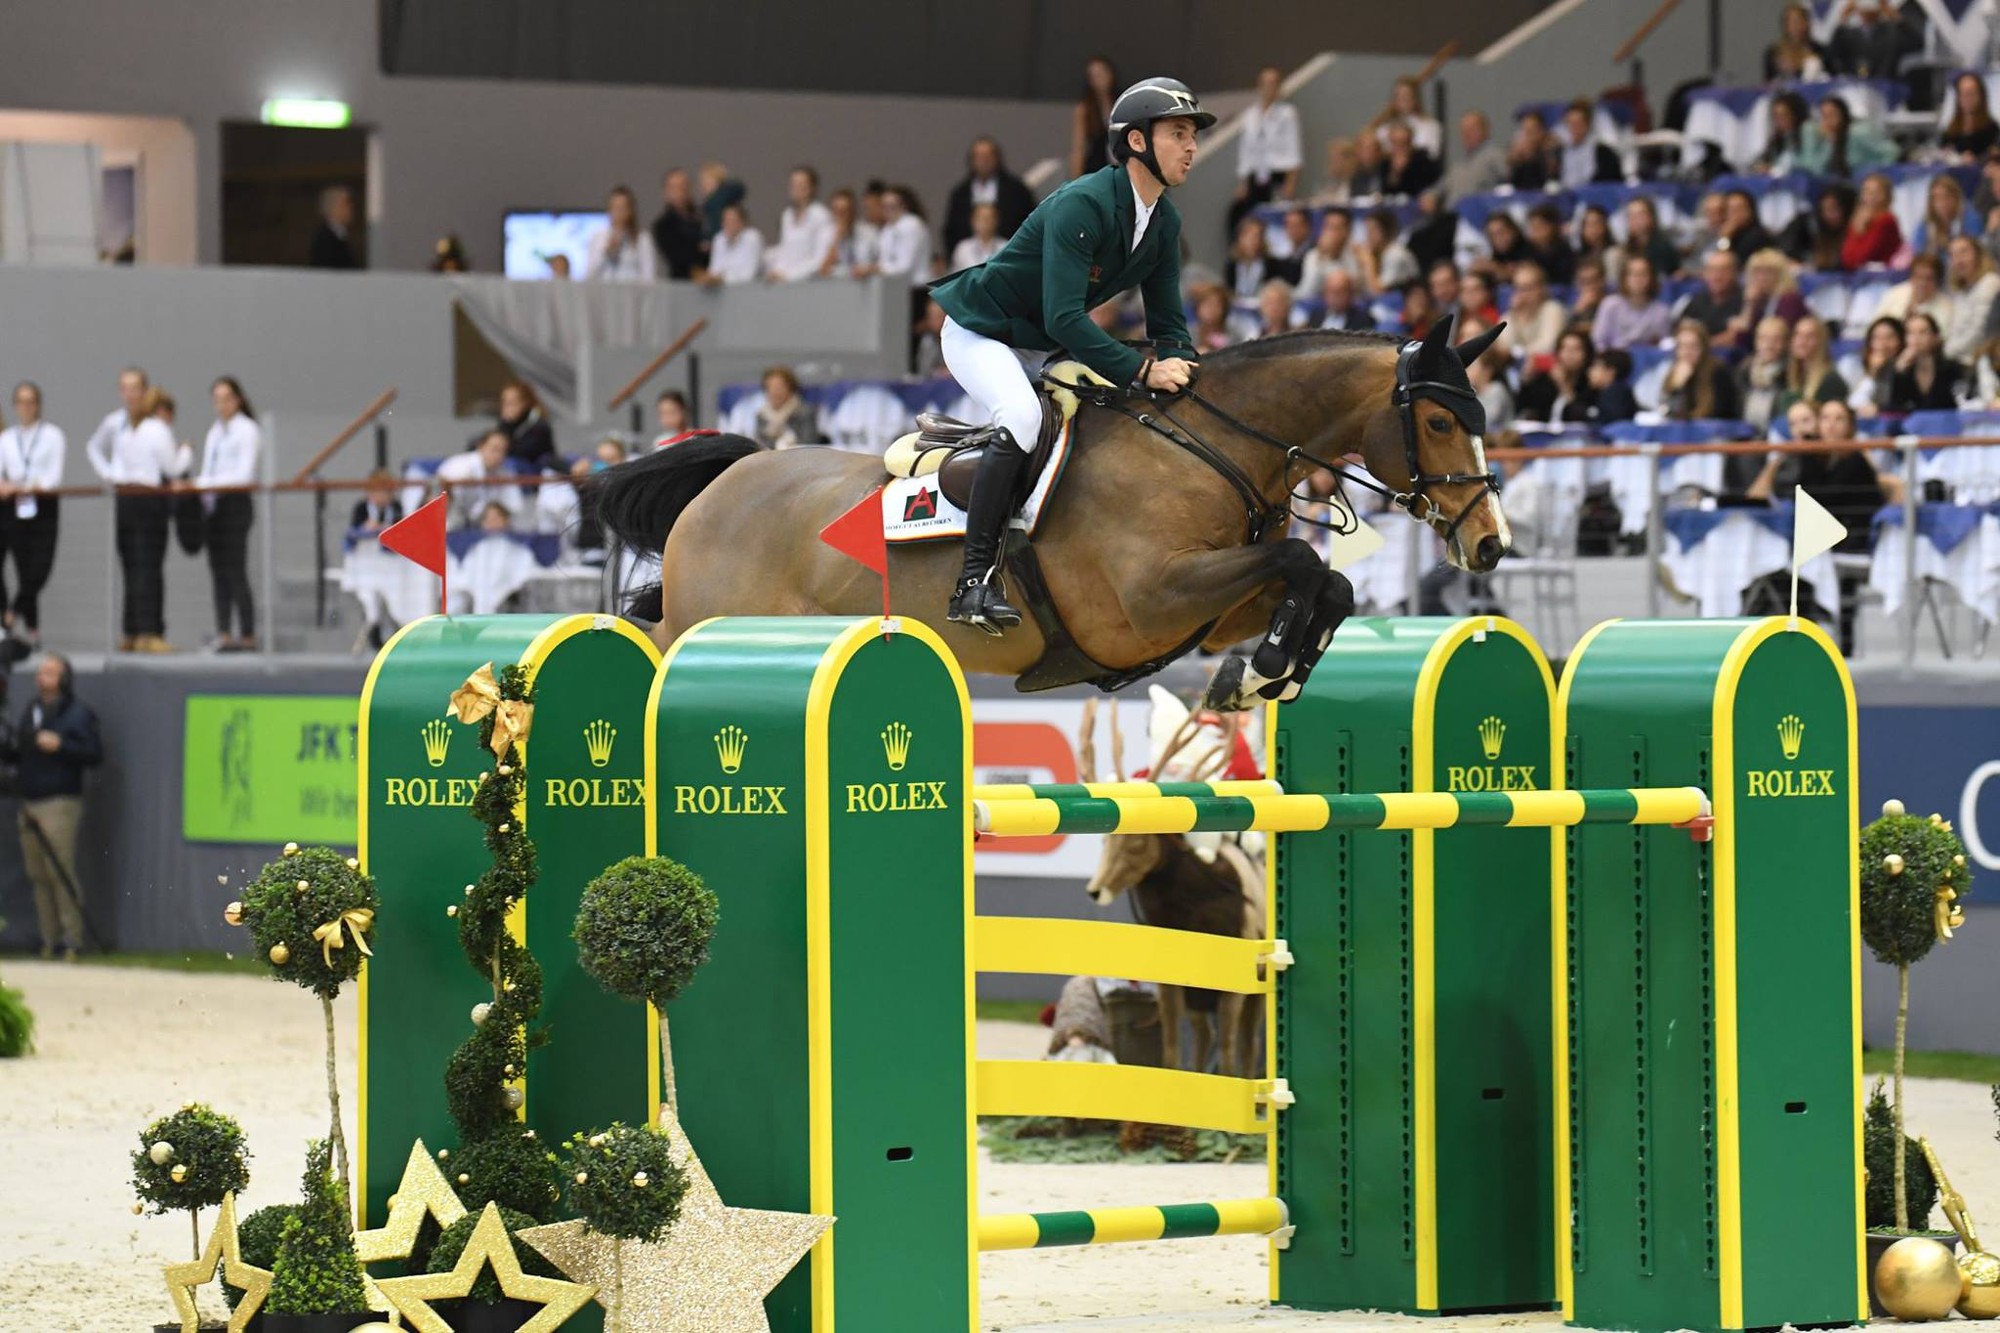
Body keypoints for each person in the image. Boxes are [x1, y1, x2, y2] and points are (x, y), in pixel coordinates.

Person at [929, 76, 1212, 633]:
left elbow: (1169, 323)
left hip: (1043, 341)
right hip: (981, 331)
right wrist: (1143, 369)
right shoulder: (1082, 204)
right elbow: (1064, 316)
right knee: (1024, 416)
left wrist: (1195, 376)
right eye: (1178, 133)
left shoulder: (1164, 221)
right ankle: (972, 583)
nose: (1191, 146)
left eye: (1192, 135)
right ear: (1137, 142)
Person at [1748, 397, 1902, 652]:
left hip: (1850, 539)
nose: (1830, 425)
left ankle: (1805, 637)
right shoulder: (1819, 460)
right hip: (1824, 536)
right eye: (1825, 419)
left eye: (1838, 419)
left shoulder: (1854, 460)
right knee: (1781, 564)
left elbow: (1818, 497)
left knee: (1792, 560)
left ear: (1849, 426)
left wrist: (1806, 451)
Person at [8, 652, 100, 960]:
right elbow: (20, 749)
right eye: (40, 672)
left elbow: (93, 753)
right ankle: (49, 939)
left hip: (59, 800)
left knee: (60, 870)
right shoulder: (32, 710)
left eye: (49, 673)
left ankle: (72, 939)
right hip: (29, 800)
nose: (41, 678)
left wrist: (61, 745)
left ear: (63, 678)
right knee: (37, 875)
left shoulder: (77, 714)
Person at [85, 371, 177, 652]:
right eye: (125, 388)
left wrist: (184, 455)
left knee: (149, 564)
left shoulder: (156, 427)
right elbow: (93, 446)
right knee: (129, 563)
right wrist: (109, 473)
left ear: (145, 391)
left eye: (135, 388)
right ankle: (131, 629)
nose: (130, 394)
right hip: (125, 497)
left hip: (150, 497)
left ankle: (151, 629)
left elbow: (170, 467)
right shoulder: (115, 422)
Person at [193, 377, 261, 652]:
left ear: (238, 399)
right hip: (214, 506)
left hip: (234, 502)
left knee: (235, 568)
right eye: (217, 399)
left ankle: (247, 631)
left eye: (226, 398)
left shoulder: (247, 430)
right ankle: (223, 629)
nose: (221, 405)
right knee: (217, 569)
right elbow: (209, 468)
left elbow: (243, 474)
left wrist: (205, 484)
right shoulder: (215, 431)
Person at [0, 382, 64, 649]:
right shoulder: (6, 439)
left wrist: (29, 485)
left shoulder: (52, 435)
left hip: (42, 506)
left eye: (31, 402)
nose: (25, 407)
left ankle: (13, 613)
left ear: (38, 404)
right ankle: (18, 625)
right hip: (13, 505)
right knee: (17, 563)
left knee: (38, 568)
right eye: (21, 402)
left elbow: (53, 477)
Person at [1230, 64, 1303, 232]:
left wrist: (1291, 182)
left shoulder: (1288, 113)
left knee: (1275, 220)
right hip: (1255, 176)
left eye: (1274, 84)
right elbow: (1245, 151)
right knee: (1242, 216)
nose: (1269, 88)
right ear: (1259, 86)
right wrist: (1243, 182)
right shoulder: (1250, 115)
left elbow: (1294, 148)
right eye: (1266, 84)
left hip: (1278, 174)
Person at [944, 137, 1035, 255]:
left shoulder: (1017, 190)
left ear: (997, 158)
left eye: (987, 157)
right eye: (979, 157)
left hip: (1010, 253)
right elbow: (952, 229)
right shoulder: (961, 193)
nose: (983, 162)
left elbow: (1029, 222)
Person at [1719, 248, 1807, 353]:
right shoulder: (1760, 301)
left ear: (1780, 275)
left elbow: (1783, 338)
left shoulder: (1790, 300)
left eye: (1768, 272)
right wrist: (1749, 305)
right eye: (1757, 272)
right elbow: (1742, 343)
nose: (1761, 278)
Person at [436, 430, 524, 528]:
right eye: (494, 449)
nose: (499, 455)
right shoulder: (459, 465)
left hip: (483, 528)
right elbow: (442, 495)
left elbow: (515, 507)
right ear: (481, 446)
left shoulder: (505, 473)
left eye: (503, 451)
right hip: (453, 523)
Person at [765, 166, 837, 283]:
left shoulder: (820, 215)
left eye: (800, 185)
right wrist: (777, 271)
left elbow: (820, 258)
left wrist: (790, 276)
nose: (795, 189)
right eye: (793, 184)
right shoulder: (787, 216)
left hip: (810, 284)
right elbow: (785, 251)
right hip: (786, 285)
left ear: (811, 188)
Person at [1660, 318, 1741, 421]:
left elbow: (1716, 414)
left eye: (1693, 346)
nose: (1687, 352)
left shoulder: (1718, 373)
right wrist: (1677, 387)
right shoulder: (1675, 373)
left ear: (1703, 348)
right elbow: (1667, 413)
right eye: (1682, 346)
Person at [1885, 312, 1966, 412]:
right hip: (1912, 426)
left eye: (1923, 332)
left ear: (1935, 337)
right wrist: (1899, 372)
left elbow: (1962, 404)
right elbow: (1893, 408)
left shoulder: (1953, 368)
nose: (1916, 338)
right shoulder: (1901, 371)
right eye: (1910, 333)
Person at [1800, 97, 1898, 179]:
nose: (1828, 120)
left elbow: (1892, 151)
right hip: (1844, 186)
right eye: (1824, 116)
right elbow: (1817, 170)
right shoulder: (1828, 138)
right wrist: (1830, 143)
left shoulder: (1858, 131)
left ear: (1843, 113)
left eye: (1832, 114)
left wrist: (1878, 173)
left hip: (1868, 181)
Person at [1593, 252, 1673, 350]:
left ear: (1652, 278)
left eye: (1643, 274)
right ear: (1624, 278)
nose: (1638, 279)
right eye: (1633, 274)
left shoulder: (1661, 312)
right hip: (1615, 359)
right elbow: (1599, 342)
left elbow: (1664, 347)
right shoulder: (1610, 305)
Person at [1517, 327, 1597, 424]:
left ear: (1587, 354)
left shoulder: (1591, 382)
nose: (1570, 354)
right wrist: (1527, 380)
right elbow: (1523, 407)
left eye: (1576, 349)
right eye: (1565, 348)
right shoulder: (1546, 379)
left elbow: (1582, 415)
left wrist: (1563, 385)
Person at [1943, 234, 2000, 361]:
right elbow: (1954, 329)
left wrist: (1947, 351)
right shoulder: (1960, 292)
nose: (1959, 260)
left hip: (1980, 358)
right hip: (1958, 356)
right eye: (1953, 255)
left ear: (1978, 255)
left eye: (1964, 252)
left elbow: (1979, 331)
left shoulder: (1990, 283)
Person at [587, 185, 660, 282]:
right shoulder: (598, 238)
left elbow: (649, 275)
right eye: (615, 207)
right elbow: (590, 274)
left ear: (630, 211)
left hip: (633, 293)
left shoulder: (642, 238)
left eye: (622, 208)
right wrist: (606, 254)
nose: (618, 212)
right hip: (605, 293)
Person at [1498, 263, 1568, 361]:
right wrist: (1513, 315)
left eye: (1527, 288)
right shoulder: (1510, 315)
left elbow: (1548, 345)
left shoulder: (1552, 310)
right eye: (1518, 288)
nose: (1522, 294)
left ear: (1541, 289)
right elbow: (1503, 347)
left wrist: (1519, 352)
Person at [1781, 182, 1856, 271]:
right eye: (1824, 209)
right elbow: (1785, 251)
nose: (1829, 215)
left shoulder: (1855, 230)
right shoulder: (1806, 223)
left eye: (1834, 209)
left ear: (1847, 210)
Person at [1738, 316, 1793, 434]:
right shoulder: (1744, 371)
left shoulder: (1792, 373)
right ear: (1756, 342)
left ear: (1786, 343)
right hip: (1743, 437)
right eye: (1764, 339)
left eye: (1776, 339)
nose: (1769, 345)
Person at [1784, 314, 1851, 409]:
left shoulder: (1831, 381)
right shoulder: (1793, 376)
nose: (1802, 341)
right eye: (1798, 334)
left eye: (1810, 336)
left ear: (1821, 342)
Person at [1070, 56, 1120, 180]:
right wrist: (1075, 179)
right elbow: (1079, 147)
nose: (1099, 79)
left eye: (1102, 73)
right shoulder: (1085, 108)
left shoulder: (1122, 103)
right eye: (1094, 76)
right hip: (1097, 167)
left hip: (1121, 165)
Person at [1366, 76, 1443, 158]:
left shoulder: (1430, 126)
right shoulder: (1384, 127)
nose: (1402, 100)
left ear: (1415, 98)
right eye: (1398, 96)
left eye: (1406, 95)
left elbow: (1431, 154)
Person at [1441, 111, 1507, 205]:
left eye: (1471, 129)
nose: (1466, 134)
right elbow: (1442, 186)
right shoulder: (1459, 164)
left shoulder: (1495, 155)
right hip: (1452, 213)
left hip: (1480, 212)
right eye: (1463, 130)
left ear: (1486, 130)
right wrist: (1432, 195)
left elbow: (1508, 181)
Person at [650, 168, 706, 279]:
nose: (680, 191)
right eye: (674, 188)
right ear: (666, 192)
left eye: (683, 186)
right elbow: (678, 257)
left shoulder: (704, 218)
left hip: (714, 286)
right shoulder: (662, 226)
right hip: (682, 286)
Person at [1677, 249, 1745, 339]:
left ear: (1736, 273)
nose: (1716, 276)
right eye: (1711, 270)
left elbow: (1735, 339)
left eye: (1723, 270)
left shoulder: (1746, 302)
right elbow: (1681, 333)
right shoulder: (1696, 301)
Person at [1876, 253, 1953, 329]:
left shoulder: (1946, 309)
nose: (1923, 283)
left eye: (1929, 278)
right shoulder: (1894, 293)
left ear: (1937, 281)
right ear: (1911, 278)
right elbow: (1876, 324)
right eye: (1919, 277)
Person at [753, 366, 822, 449]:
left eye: (779, 387)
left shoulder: (805, 412)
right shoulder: (762, 415)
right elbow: (759, 444)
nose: (774, 391)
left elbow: (809, 443)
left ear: (790, 388)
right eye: (770, 387)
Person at [496, 380, 557, 473]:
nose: (506, 407)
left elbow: (523, 451)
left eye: (511, 403)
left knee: (508, 463)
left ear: (524, 403)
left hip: (536, 472)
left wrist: (496, 447)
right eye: (504, 402)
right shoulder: (506, 424)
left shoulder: (539, 426)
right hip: (518, 470)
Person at [1851, 314, 1907, 415]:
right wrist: (1872, 372)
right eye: (1877, 338)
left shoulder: (1907, 370)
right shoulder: (1855, 366)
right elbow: (1854, 404)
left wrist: (1880, 409)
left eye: (1890, 337)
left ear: (1901, 341)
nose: (1883, 344)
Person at [1296, 208, 1360, 295]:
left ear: (1348, 231)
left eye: (1337, 228)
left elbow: (1356, 290)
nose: (1332, 233)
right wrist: (1321, 258)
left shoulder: (1357, 254)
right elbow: (1306, 293)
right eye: (1328, 227)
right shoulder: (1313, 256)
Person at [1558, 101, 1622, 188]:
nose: (1574, 128)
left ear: (1587, 125)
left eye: (1578, 124)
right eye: (1570, 123)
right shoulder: (1562, 152)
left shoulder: (1602, 152)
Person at [697, 202, 764, 285]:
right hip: (722, 293)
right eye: (725, 220)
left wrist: (720, 278)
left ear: (743, 222)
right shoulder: (719, 239)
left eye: (732, 220)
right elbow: (714, 270)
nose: (728, 224)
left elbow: (748, 275)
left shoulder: (752, 238)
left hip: (750, 292)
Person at [820, 187, 880, 278]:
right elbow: (822, 271)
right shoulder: (826, 235)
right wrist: (836, 240)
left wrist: (869, 269)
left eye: (844, 211)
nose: (840, 217)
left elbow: (882, 264)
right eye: (836, 212)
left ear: (853, 211)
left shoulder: (869, 232)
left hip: (866, 285)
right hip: (840, 287)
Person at [1913, 174, 1976, 258]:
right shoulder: (1925, 223)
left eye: (1947, 197)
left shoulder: (1970, 219)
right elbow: (1918, 254)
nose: (1942, 203)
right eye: (1936, 198)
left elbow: (1975, 253)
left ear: (1956, 198)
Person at [1358, 207, 1419, 295]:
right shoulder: (1377, 253)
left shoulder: (1396, 255)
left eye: (1373, 230)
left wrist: (1368, 262)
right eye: (1367, 230)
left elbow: (1377, 292)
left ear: (1386, 230)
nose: (1368, 235)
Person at [1941, 72, 2000, 161]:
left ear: (1981, 96)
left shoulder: (1992, 130)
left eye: (1971, 93)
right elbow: (1941, 152)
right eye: (1963, 93)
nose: (1967, 98)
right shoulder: (1951, 130)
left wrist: (1977, 159)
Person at [1622, 196, 1683, 281]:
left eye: (1641, 214)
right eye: (1631, 215)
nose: (1636, 220)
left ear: (1652, 217)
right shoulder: (1623, 249)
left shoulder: (1664, 247)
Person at [1765, 3, 1829, 80]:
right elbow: (1767, 83)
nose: (1796, 27)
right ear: (1785, 25)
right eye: (1792, 22)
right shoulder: (1774, 53)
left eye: (1799, 21)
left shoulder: (1819, 50)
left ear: (1807, 23)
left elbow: (1832, 78)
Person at [1755, 91, 1812, 175]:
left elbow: (1808, 166)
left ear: (1795, 115)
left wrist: (1773, 170)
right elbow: (1765, 161)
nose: (1779, 121)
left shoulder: (1807, 129)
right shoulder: (1779, 138)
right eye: (1776, 116)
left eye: (1784, 115)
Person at [1379, 121, 1439, 198]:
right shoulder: (1384, 163)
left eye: (1403, 143)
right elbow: (1384, 191)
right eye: (1395, 143)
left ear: (1410, 141)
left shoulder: (1423, 161)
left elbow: (1425, 189)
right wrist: (1395, 173)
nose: (1399, 147)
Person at [308, 185, 361, 269]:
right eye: (345, 204)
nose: (350, 208)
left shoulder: (341, 236)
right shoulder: (324, 239)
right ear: (333, 207)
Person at [1224, 216, 1272, 307]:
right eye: (1250, 236)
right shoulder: (1232, 264)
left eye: (1259, 236)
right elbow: (1229, 290)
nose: (1255, 240)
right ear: (1240, 238)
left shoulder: (1271, 264)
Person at [1523, 204, 1575, 284]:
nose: (1534, 233)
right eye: (1532, 228)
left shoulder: (1566, 255)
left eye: (1539, 227)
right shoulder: (1528, 252)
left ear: (1553, 227)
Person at [1586, 348, 1640, 425]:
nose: (1590, 372)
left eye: (1595, 367)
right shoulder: (1616, 391)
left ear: (1610, 372)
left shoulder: (1613, 394)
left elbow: (1611, 425)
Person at [1717, 190, 1776, 260]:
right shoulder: (1730, 233)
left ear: (1751, 210)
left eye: (1739, 208)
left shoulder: (1758, 236)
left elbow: (1726, 261)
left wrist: (1725, 238)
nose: (1735, 213)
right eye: (1730, 209)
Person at [695, 161, 747, 240]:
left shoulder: (715, 203)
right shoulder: (712, 204)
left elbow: (717, 228)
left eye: (707, 180)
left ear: (717, 182)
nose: (703, 185)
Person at [950, 202, 1006, 272]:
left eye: (988, 218)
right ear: (972, 220)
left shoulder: (1005, 247)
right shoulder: (963, 249)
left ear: (996, 221)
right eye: (980, 218)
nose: (985, 222)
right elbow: (956, 279)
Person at [1507, 111, 1554, 191]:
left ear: (1541, 131)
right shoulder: (1519, 154)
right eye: (1524, 130)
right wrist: (1515, 160)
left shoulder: (1550, 149)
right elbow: (1513, 182)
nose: (1527, 134)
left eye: (1531, 130)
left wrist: (1532, 155)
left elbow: (1548, 178)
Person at [1190, 283, 1237, 350]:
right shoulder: (1187, 334)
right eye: (1207, 305)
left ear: (1224, 309)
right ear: (1197, 307)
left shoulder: (1235, 335)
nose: (1211, 310)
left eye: (1216, 305)